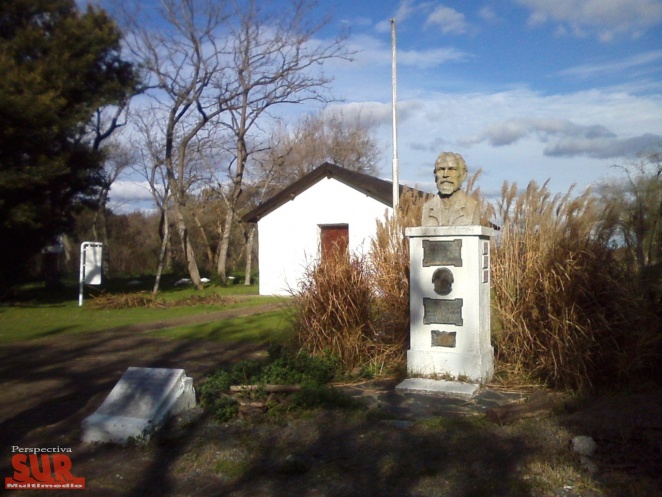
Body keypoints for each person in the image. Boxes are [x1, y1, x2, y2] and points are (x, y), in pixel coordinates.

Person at [422, 152, 481, 226]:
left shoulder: (472, 206)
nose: (446, 175)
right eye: (441, 169)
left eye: (452, 169)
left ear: (463, 175)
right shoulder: (427, 207)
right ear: (435, 175)